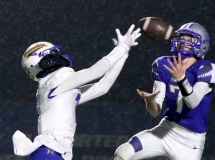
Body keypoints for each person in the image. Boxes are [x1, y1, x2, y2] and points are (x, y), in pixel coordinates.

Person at [12, 24, 141, 160]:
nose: (57, 56)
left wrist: (124, 54)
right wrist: (121, 48)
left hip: (52, 152)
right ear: (41, 60)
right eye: (53, 53)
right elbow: (96, 71)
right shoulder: (57, 79)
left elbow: (103, 87)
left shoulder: (55, 87)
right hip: (50, 152)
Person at [114, 22, 215, 160]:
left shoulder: (206, 68)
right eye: (182, 37)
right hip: (166, 129)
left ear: (201, 44)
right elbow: (155, 112)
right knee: (124, 152)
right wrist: (150, 101)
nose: (183, 41)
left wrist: (181, 78)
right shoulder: (163, 64)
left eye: (189, 39)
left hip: (191, 141)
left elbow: (193, 102)